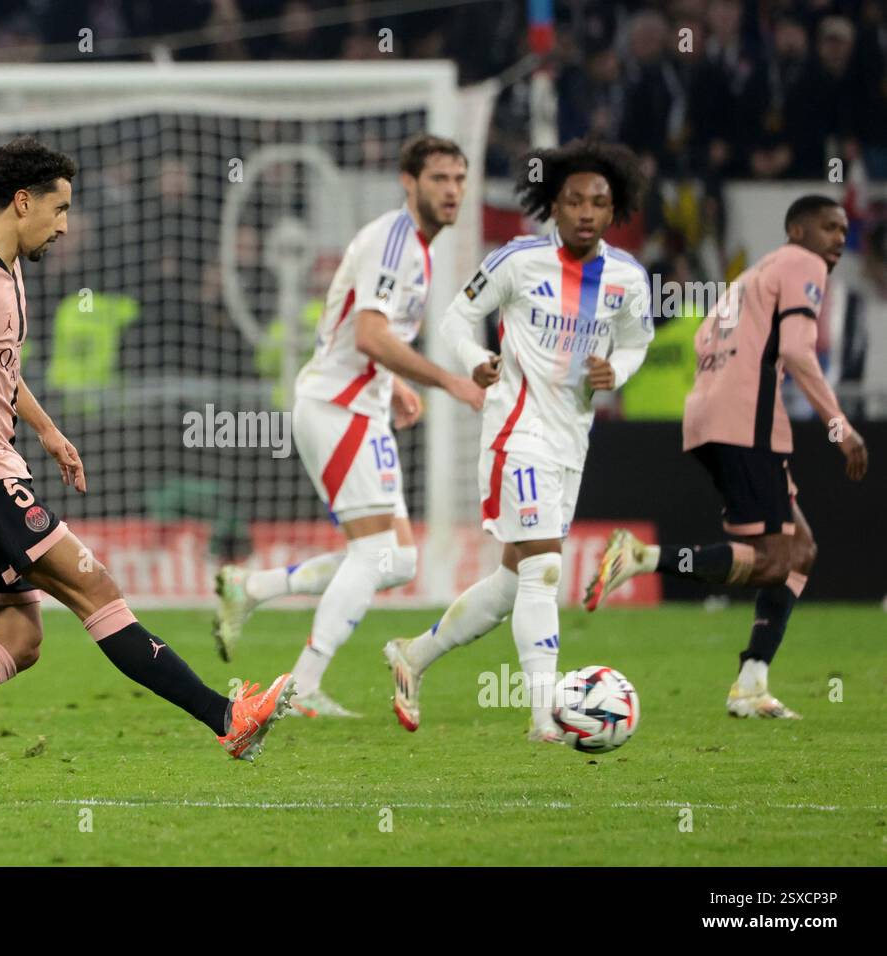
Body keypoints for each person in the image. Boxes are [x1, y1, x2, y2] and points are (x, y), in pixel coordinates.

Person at [0, 137, 294, 798]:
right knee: (99, 591)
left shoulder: (7, 271)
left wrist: (48, 431)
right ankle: (227, 719)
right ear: (23, 200)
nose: (65, 224)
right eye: (59, 208)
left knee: (18, 636)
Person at [385, 140, 652, 741]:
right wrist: (479, 358)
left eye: (599, 203)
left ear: (615, 211)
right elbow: (453, 318)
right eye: (575, 201)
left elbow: (636, 341)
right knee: (546, 571)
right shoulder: (517, 261)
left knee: (514, 580)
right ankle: (544, 716)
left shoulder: (629, 280)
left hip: (570, 442)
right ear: (553, 206)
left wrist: (620, 371)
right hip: (516, 430)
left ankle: (413, 655)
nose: (586, 212)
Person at [213, 133, 485, 717]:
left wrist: (397, 384)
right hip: (338, 408)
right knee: (371, 554)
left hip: (359, 404)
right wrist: (449, 381)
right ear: (408, 182)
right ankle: (302, 686)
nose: (452, 190)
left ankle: (252, 589)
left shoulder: (417, 246)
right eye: (439, 178)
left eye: (459, 179)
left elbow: (364, 337)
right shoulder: (397, 243)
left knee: (399, 561)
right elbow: (367, 335)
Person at [585, 196, 868, 720]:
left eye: (843, 230)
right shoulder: (801, 264)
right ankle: (646, 558)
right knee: (770, 560)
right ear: (797, 229)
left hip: (709, 418)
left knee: (799, 551)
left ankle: (751, 683)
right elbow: (800, 351)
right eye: (827, 227)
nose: (836, 239)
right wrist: (840, 426)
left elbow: (702, 339)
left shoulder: (748, 280)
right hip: (747, 421)